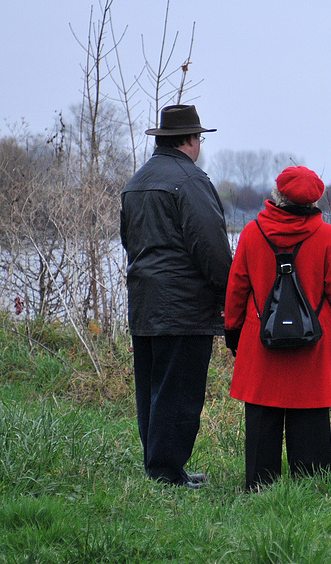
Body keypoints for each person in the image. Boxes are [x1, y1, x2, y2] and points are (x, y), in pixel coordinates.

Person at [224, 166, 331, 491]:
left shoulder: (251, 234)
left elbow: (236, 289)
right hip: (312, 352)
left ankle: (260, 492)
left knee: (262, 424)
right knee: (311, 427)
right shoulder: (329, 238)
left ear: (277, 196)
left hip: (261, 348)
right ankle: (312, 494)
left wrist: (232, 330)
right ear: (315, 201)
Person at [120, 104, 233, 488]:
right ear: (190, 140)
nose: (200, 145)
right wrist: (228, 293)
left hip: (144, 302)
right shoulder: (190, 181)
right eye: (199, 138)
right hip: (184, 307)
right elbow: (213, 251)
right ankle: (167, 473)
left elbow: (129, 243)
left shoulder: (136, 182)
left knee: (152, 389)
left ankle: (160, 467)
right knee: (180, 392)